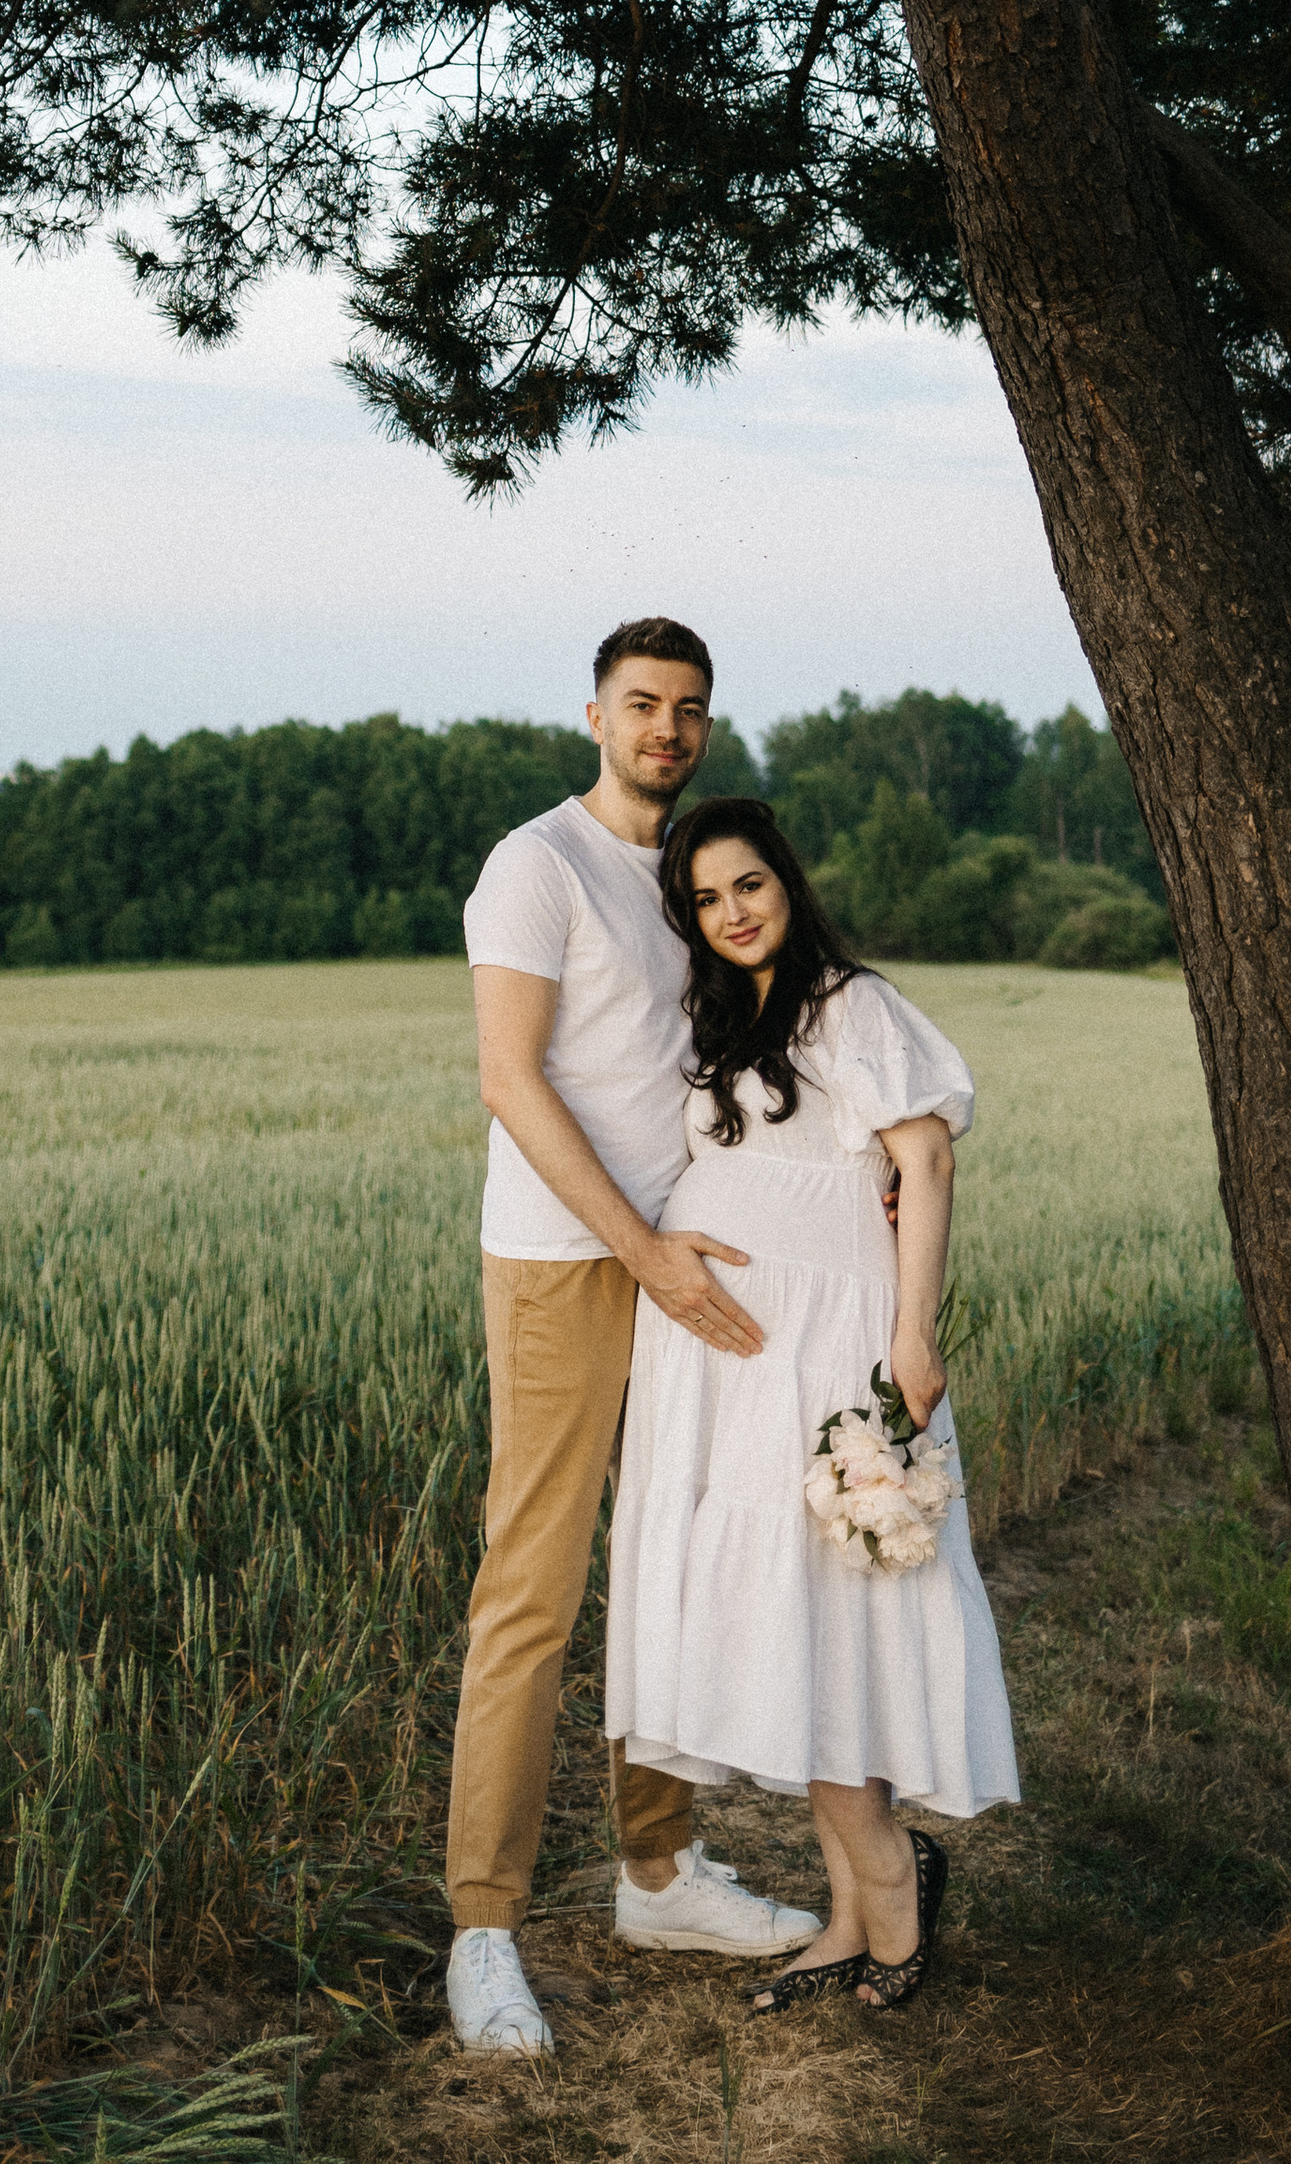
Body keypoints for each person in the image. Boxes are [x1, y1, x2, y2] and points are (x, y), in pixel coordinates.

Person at [446, 623, 821, 2059]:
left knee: (666, 1572)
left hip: (689, 1265)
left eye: (690, 711)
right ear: (594, 714)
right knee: (531, 1589)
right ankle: (483, 1928)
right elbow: (510, 1079)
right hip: (565, 1265)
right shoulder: (534, 865)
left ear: (706, 733)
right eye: (642, 704)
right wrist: (640, 1251)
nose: (666, 728)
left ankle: (657, 1875)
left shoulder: (688, 881)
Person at [604, 798, 1020, 2015]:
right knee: (786, 1617)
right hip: (732, 1364)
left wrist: (911, 1337)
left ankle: (890, 1880)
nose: (730, 913)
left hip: (829, 1350)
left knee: (840, 1609)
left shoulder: (847, 1003)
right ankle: (844, 1903)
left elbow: (925, 1161)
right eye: (704, 900)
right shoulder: (729, 1022)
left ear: (785, 880)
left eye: (748, 886)